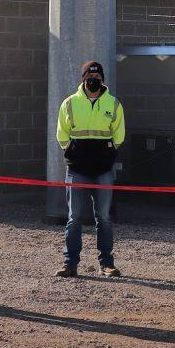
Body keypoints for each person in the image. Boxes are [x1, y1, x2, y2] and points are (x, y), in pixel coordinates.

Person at [55, 59, 126, 278]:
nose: (93, 80)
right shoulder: (69, 103)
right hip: (77, 169)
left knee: (103, 218)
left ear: (102, 79)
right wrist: (72, 152)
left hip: (103, 170)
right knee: (74, 218)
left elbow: (119, 134)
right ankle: (70, 264)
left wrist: (108, 154)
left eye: (97, 77)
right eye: (90, 77)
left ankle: (107, 264)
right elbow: (61, 133)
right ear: (83, 79)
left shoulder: (113, 104)